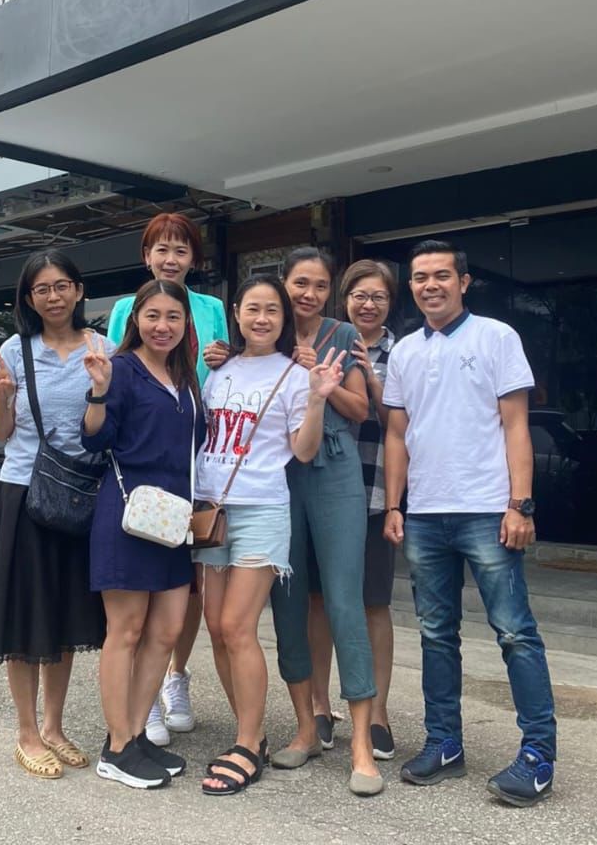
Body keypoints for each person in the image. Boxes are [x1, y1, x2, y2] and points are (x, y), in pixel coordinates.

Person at [383, 238, 557, 807]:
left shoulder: (496, 337)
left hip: (487, 509)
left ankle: (538, 755)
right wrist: (395, 505)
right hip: (426, 514)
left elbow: (516, 425)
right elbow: (397, 434)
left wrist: (520, 504)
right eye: (419, 277)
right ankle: (444, 743)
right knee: (436, 634)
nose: (429, 285)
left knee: (514, 632)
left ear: (463, 282)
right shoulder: (405, 351)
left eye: (441, 275)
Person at [194, 275, 346, 795]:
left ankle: (245, 742)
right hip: (212, 510)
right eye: (253, 309)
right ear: (236, 313)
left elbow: (303, 451)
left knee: (238, 626)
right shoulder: (218, 371)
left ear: (284, 320)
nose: (262, 319)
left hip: (261, 509)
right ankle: (250, 732)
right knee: (215, 627)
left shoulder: (295, 374)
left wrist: (319, 399)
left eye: (272, 311)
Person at [0, 250, 108, 779]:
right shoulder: (14, 350)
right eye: (42, 289)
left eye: (62, 285)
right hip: (23, 493)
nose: (53, 296)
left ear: (79, 290)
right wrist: (3, 398)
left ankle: (54, 726)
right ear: (29, 298)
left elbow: (102, 430)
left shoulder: (103, 348)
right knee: (23, 614)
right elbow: (1, 432)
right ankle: (26, 732)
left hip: (77, 495)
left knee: (63, 614)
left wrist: (100, 389)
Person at [106, 213, 229, 744]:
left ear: (194, 259)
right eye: (161, 249)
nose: (171, 259)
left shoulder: (212, 309)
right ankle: (143, 699)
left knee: (188, 584)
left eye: (181, 250)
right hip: (145, 460)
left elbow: (224, 373)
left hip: (197, 456)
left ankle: (175, 677)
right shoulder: (124, 308)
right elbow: (117, 371)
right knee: (143, 585)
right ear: (146, 256)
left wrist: (225, 357)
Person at [82, 279, 205, 790]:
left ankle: (135, 735)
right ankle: (116, 747)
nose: (162, 326)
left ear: (185, 324)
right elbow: (94, 438)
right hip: (128, 515)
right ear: (136, 319)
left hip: (173, 520)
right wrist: (98, 390)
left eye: (173, 317)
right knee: (126, 631)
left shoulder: (184, 375)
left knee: (168, 630)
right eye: (152, 315)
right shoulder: (122, 369)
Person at [269, 246, 382, 796]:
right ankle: (305, 729)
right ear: (284, 283)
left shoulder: (343, 334)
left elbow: (363, 411)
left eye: (319, 285)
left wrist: (323, 379)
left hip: (336, 472)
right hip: (279, 473)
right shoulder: (266, 331)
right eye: (300, 283)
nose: (309, 294)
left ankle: (361, 743)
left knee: (343, 602)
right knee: (288, 600)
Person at [305, 259, 399, 761]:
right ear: (345, 299)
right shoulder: (324, 341)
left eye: (378, 296)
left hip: (375, 490)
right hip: (322, 486)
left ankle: (377, 712)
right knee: (319, 600)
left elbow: (402, 422)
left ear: (390, 303)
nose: (368, 304)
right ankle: (319, 706)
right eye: (360, 295)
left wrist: (369, 377)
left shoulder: (401, 352)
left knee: (372, 603)